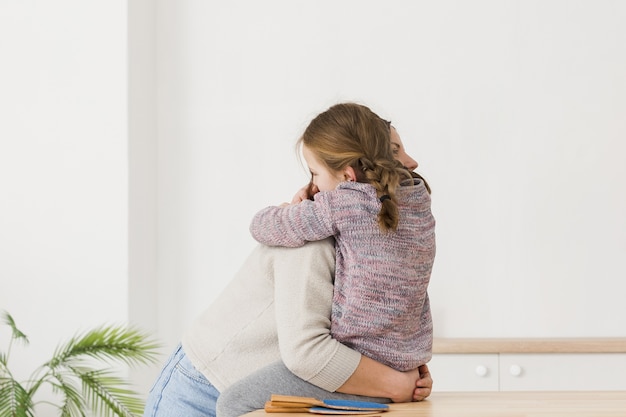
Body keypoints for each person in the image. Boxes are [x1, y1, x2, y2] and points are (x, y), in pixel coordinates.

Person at [143, 106, 434, 417]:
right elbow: (308, 354)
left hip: (277, 385)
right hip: (204, 385)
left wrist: (399, 373)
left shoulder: (374, 227)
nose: (411, 163)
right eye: (394, 151)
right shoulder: (316, 238)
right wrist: (394, 378)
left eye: (314, 174)